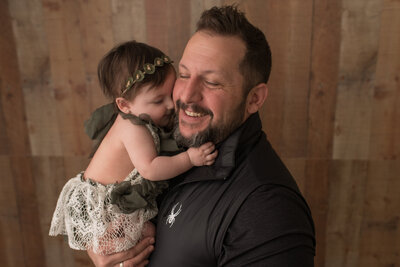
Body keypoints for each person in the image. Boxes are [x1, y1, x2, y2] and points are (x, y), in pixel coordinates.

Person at [89, 5, 316, 267]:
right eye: (184, 75)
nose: (185, 96)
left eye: (212, 82)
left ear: (254, 98)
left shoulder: (269, 210)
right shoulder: (167, 140)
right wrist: (109, 252)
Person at [49, 41, 218, 256]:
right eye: (158, 100)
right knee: (147, 233)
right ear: (124, 105)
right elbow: (150, 168)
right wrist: (190, 159)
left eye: (170, 94)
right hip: (103, 205)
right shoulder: (132, 128)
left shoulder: (139, 117)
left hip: (110, 199)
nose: (170, 105)